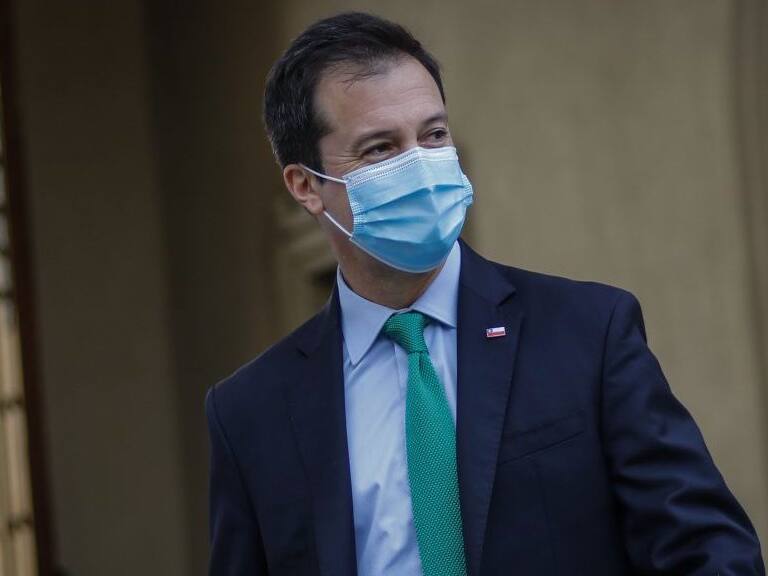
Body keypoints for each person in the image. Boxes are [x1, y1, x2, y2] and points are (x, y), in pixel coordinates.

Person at [206, 11, 765, 576]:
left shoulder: (587, 333)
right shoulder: (251, 413)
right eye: (379, 149)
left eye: (433, 135)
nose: (420, 166)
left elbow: (706, 550)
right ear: (306, 186)